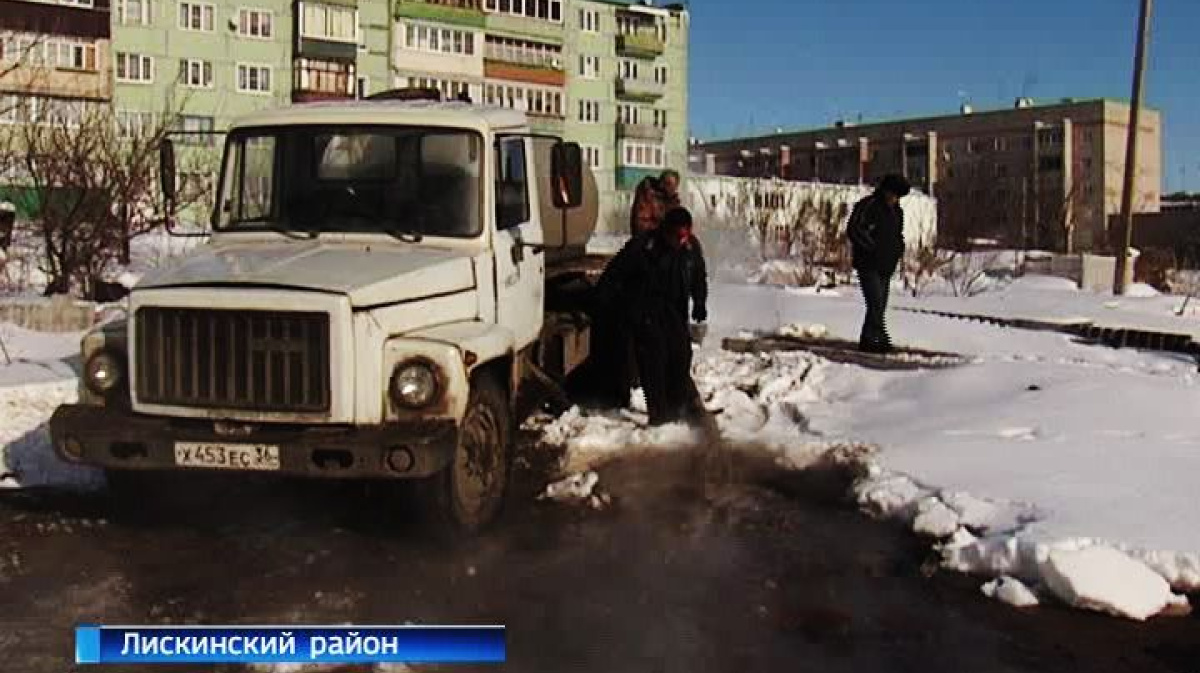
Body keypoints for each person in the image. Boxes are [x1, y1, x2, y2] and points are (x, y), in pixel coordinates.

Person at [596, 207, 708, 426]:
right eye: (678, 236)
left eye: (686, 235)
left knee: (680, 357)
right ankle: (659, 415)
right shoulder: (644, 246)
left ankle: (677, 408)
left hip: (675, 312)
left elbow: (698, 276)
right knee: (654, 363)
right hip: (646, 313)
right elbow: (615, 273)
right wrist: (606, 302)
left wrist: (700, 302)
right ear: (667, 230)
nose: (682, 240)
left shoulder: (691, 248)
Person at [847, 174, 910, 353]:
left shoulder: (897, 212)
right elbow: (854, 229)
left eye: (898, 196)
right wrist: (871, 248)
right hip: (868, 264)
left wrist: (899, 249)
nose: (894, 198)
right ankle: (877, 339)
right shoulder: (868, 205)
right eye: (893, 194)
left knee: (880, 305)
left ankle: (869, 339)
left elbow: (898, 235)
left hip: (886, 265)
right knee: (875, 304)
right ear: (885, 191)